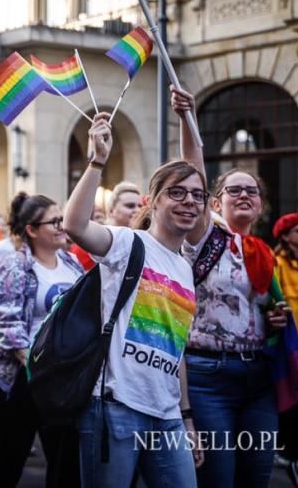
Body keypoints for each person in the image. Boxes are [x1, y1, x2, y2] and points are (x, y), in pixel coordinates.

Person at [64, 110, 205, 487]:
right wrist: (97, 159)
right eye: (176, 192)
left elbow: (177, 351)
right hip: (115, 408)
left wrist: (186, 415)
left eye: (197, 195)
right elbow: (74, 225)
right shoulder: (129, 243)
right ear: (152, 201)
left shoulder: (185, 268)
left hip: (167, 413)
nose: (188, 201)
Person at [173, 87, 288, 488]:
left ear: (260, 205)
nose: (243, 194)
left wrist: (275, 319)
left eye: (251, 190)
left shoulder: (264, 253)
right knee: (219, 480)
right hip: (208, 378)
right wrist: (188, 119)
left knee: (256, 478)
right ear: (215, 203)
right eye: (232, 190)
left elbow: (258, 310)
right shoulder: (207, 236)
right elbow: (193, 173)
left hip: (258, 378)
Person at [0, 192, 84, 488]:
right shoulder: (13, 266)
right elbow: (7, 324)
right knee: (11, 452)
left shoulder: (71, 262)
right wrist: (37, 366)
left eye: (62, 219)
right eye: (54, 222)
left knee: (64, 456)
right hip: (19, 376)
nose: (63, 226)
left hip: (60, 375)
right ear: (32, 230)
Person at [273, 212, 298, 486]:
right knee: (293, 405)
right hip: (290, 345)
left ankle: (296, 459)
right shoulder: (277, 264)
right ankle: (293, 458)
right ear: (285, 236)